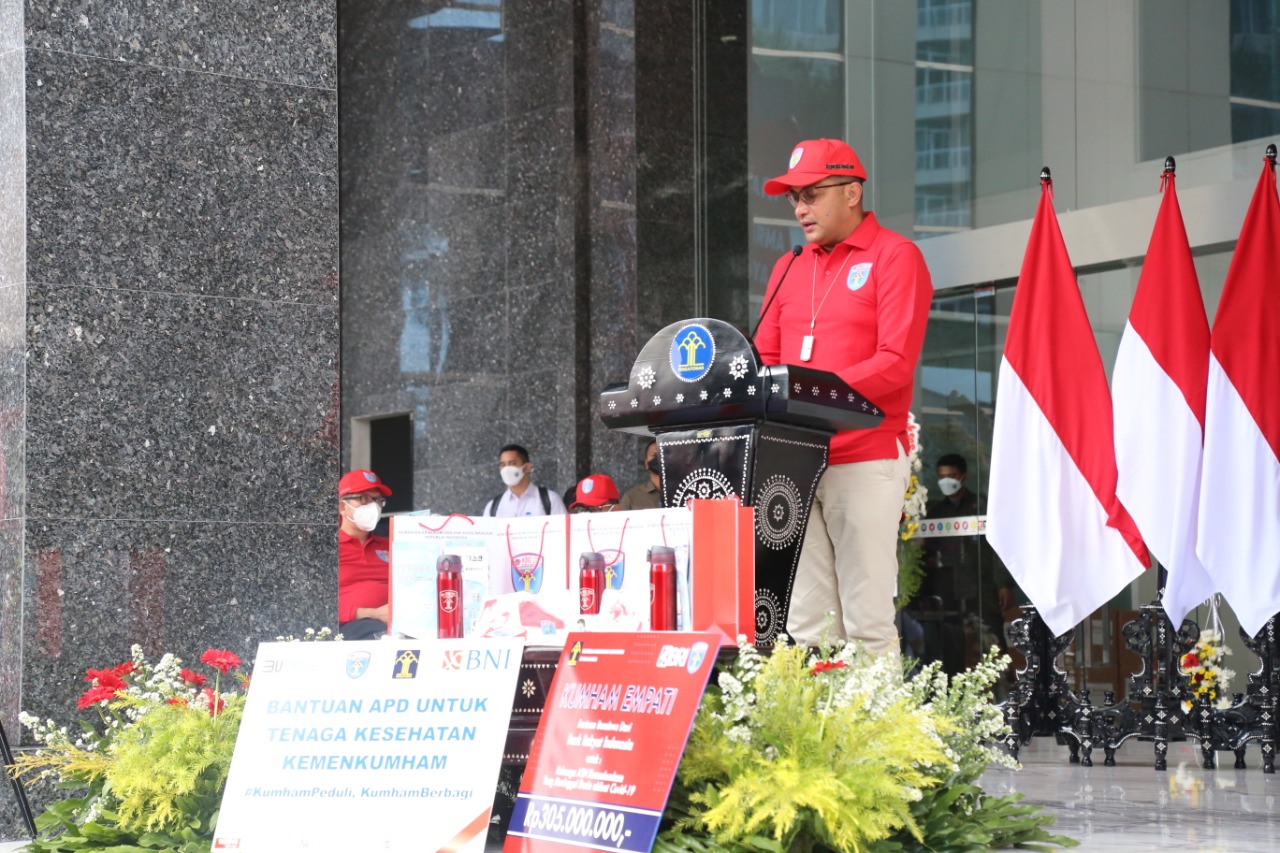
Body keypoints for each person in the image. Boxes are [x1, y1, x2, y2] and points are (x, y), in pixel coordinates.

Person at [755, 138, 933, 654]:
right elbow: (765, 361)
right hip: (795, 461)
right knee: (809, 625)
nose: (800, 208)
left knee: (868, 621)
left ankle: (878, 737)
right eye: (793, 198)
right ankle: (821, 736)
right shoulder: (788, 266)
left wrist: (813, 394)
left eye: (811, 193)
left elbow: (895, 362)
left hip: (865, 456)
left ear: (852, 191)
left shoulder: (896, 256)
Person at [918, 453, 1015, 671]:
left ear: (963, 477)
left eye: (951, 475)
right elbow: (926, 554)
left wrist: (1003, 583)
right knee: (951, 644)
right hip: (946, 587)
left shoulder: (980, 506)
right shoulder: (935, 512)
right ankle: (954, 692)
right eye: (941, 476)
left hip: (980, 584)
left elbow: (998, 548)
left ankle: (1003, 691)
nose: (946, 481)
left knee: (991, 642)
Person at [337, 469, 393, 640]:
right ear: (342, 507)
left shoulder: (391, 546)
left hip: (398, 625)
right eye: (364, 498)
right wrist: (373, 613)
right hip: (351, 627)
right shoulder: (326, 550)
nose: (373, 506)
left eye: (377, 500)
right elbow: (311, 604)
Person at [482, 443, 567, 517]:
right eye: (503, 465)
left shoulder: (550, 500)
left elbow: (564, 532)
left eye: (513, 463)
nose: (507, 469)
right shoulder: (493, 507)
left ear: (527, 468)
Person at [618, 439, 662, 510]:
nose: (660, 459)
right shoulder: (632, 498)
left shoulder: (683, 494)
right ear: (646, 463)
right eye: (654, 455)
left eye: (663, 454)